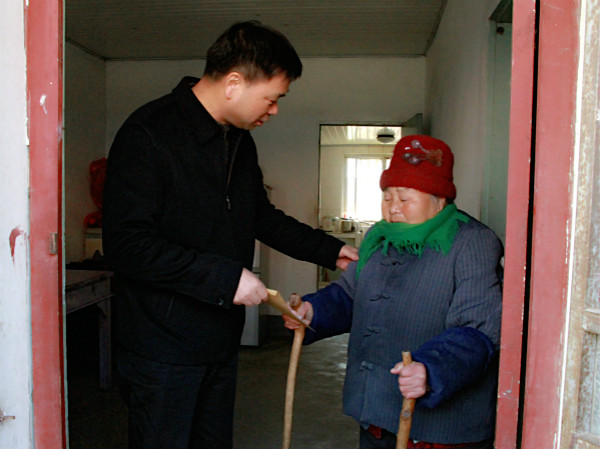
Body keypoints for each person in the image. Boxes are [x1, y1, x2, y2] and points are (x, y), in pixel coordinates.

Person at [102, 20, 358, 449]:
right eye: (272, 98)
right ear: (234, 83)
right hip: (162, 347)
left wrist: (332, 251)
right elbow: (127, 246)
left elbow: (260, 216)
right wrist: (224, 277)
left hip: (219, 338)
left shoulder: (238, 140)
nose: (274, 110)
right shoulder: (148, 133)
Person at [284, 135, 503, 449]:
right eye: (387, 197)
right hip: (377, 414)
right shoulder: (379, 235)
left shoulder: (472, 242)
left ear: (439, 199)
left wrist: (432, 370)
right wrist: (312, 311)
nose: (393, 208)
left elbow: (478, 329)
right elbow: (350, 294)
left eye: (405, 198)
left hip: (437, 432)